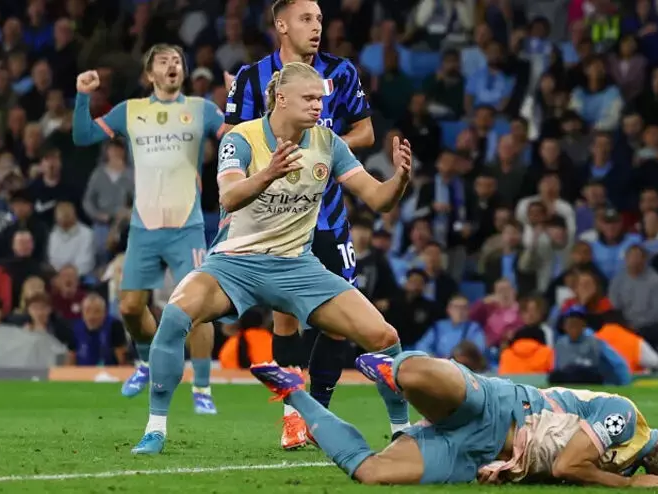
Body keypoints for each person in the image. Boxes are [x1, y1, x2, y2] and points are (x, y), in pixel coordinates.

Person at [131, 61, 412, 455]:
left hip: (297, 266)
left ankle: (403, 433)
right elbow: (229, 196)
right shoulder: (241, 138)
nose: (318, 106)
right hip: (234, 264)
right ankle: (155, 429)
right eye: (309, 98)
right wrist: (269, 173)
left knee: (385, 337)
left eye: (320, 99)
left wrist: (399, 180)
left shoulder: (328, 142)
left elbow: (379, 200)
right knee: (176, 315)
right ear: (281, 98)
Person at [224, 0, 375, 450]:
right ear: (282, 25)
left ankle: (318, 412)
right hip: (276, 217)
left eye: (320, 19)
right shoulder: (252, 77)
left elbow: (366, 132)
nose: (316, 26)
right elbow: (232, 138)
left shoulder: (341, 71)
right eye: (307, 19)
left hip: (327, 216)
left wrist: (320, 150)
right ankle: (293, 417)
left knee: (338, 323)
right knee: (286, 316)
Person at [252, 352, 658, 487]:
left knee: (370, 472)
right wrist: (630, 486)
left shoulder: (624, 460)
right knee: (419, 377)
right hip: (501, 408)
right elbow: (568, 465)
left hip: (480, 457)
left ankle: (295, 393)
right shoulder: (626, 420)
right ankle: (394, 369)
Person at [71, 44, 227, 414]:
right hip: (144, 228)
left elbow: (239, 137)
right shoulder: (131, 111)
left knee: (199, 308)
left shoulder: (202, 109)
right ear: (149, 74)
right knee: (129, 307)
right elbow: (83, 136)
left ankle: (202, 387)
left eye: (177, 61)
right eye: (163, 61)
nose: (173, 65)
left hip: (187, 226)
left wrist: (240, 103)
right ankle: (146, 362)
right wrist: (82, 96)